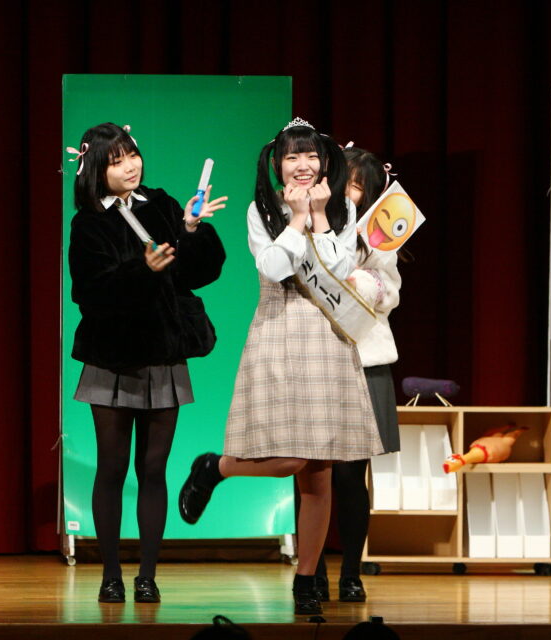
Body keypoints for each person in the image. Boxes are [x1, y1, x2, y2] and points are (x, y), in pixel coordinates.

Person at [178, 118, 383, 616]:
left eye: (311, 155)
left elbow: (339, 269)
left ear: (325, 161)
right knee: (291, 458)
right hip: (279, 330)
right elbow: (273, 267)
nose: (303, 165)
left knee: (320, 469)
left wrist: (320, 215)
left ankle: (306, 578)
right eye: (292, 157)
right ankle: (215, 467)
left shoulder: (343, 208)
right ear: (277, 164)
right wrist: (297, 219)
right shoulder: (262, 209)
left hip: (329, 336)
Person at [68, 122, 227, 604]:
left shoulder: (160, 204)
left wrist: (192, 229)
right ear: (96, 169)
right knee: (112, 468)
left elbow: (199, 272)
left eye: (132, 155)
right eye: (116, 160)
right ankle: (110, 575)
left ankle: (148, 577)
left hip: (162, 353)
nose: (129, 166)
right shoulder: (88, 223)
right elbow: (89, 293)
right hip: (112, 358)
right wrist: (143, 270)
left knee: (154, 469)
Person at [312, 145, 402, 603]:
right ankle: (311, 573)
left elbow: (392, 292)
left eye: (358, 187)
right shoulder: (308, 221)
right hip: (314, 357)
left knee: (351, 477)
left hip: (363, 358)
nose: (349, 192)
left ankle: (350, 572)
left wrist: (363, 282)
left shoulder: (377, 236)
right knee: (314, 475)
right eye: (345, 181)